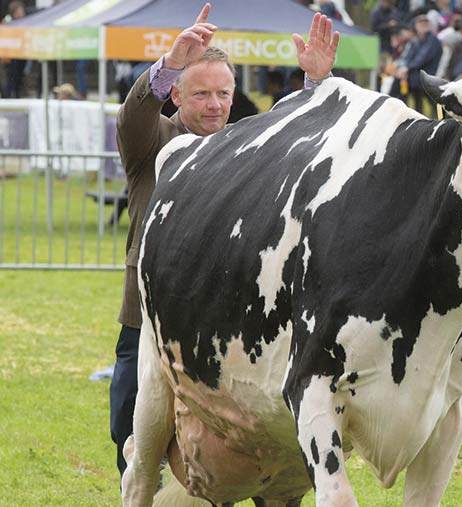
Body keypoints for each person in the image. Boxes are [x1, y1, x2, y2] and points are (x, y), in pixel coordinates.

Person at [110, 2, 339, 479]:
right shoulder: (151, 142)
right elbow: (134, 116)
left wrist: (315, 86)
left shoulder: (247, 148)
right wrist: (169, 62)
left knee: (237, 448)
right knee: (131, 435)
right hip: (149, 321)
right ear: (176, 96)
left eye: (223, 93)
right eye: (201, 94)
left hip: (228, 326)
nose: (214, 104)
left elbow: (301, 137)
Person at [394, 14, 442, 114]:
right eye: (421, 23)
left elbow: (422, 58)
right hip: (415, 77)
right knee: (400, 83)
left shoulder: (433, 41)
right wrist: (402, 67)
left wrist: (407, 68)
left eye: (426, 23)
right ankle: (401, 112)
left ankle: (442, 118)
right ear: (416, 26)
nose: (423, 25)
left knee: (435, 104)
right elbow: (407, 57)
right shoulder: (415, 41)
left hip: (428, 76)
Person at [3, 1, 27, 98]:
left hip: (21, 53)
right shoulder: (7, 22)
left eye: (22, 11)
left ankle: (16, 94)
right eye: (18, 12)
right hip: (10, 55)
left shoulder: (26, 21)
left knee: (19, 76)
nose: (21, 14)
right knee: (11, 76)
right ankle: (9, 95)